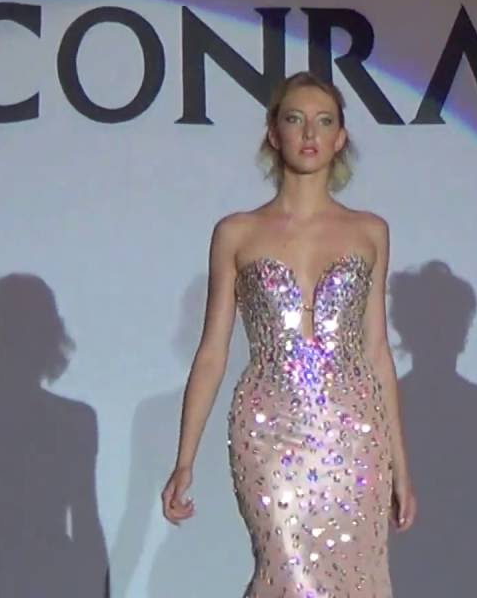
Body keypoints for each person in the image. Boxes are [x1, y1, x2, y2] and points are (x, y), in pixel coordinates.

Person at [160, 71, 416, 597]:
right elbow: (212, 352)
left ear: (340, 138)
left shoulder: (370, 231)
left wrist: (401, 466)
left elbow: (376, 350)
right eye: (295, 119)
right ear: (273, 133)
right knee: (287, 571)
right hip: (268, 430)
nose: (309, 133)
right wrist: (184, 459)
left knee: (354, 580)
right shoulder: (236, 232)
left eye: (324, 121)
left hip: (355, 433)